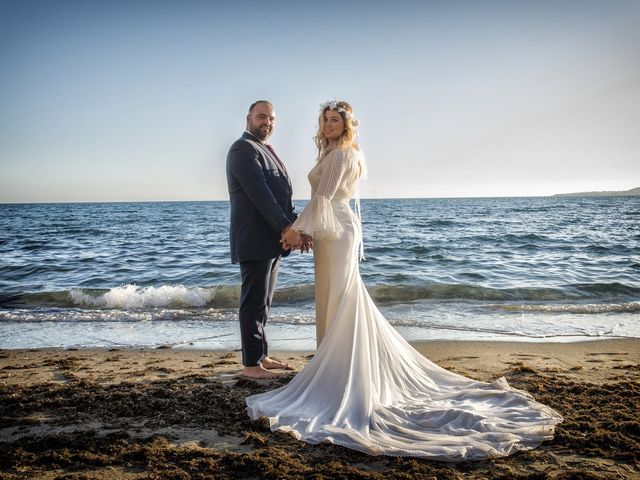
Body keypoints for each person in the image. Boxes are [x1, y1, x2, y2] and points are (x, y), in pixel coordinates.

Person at [245, 100, 563, 460]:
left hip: (335, 231)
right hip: (328, 231)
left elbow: (324, 197)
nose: (330, 124)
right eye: (325, 120)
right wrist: (303, 229)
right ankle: (333, 366)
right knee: (333, 297)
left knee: (342, 297)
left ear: (346, 125)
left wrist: (294, 231)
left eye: (335, 120)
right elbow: (322, 200)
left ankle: (344, 373)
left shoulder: (344, 153)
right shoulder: (331, 151)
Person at [226, 100, 311, 380]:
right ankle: (251, 364)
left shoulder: (265, 150)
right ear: (248, 117)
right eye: (262, 116)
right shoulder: (242, 149)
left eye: (272, 118)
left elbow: (280, 197)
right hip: (253, 237)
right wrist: (287, 228)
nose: (267, 122)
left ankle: (261, 355)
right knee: (252, 302)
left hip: (271, 239)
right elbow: (260, 194)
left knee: (264, 302)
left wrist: (298, 227)